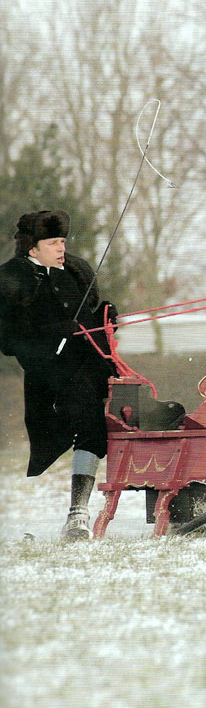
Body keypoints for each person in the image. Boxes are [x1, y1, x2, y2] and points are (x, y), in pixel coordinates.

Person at [0, 210, 117, 541]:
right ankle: (77, 514)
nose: (61, 248)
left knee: (98, 427)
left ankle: (78, 513)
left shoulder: (76, 272)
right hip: (47, 378)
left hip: (89, 369)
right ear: (32, 248)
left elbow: (88, 319)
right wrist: (52, 335)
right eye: (52, 242)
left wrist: (105, 316)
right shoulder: (10, 280)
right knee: (81, 423)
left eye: (62, 241)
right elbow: (8, 341)